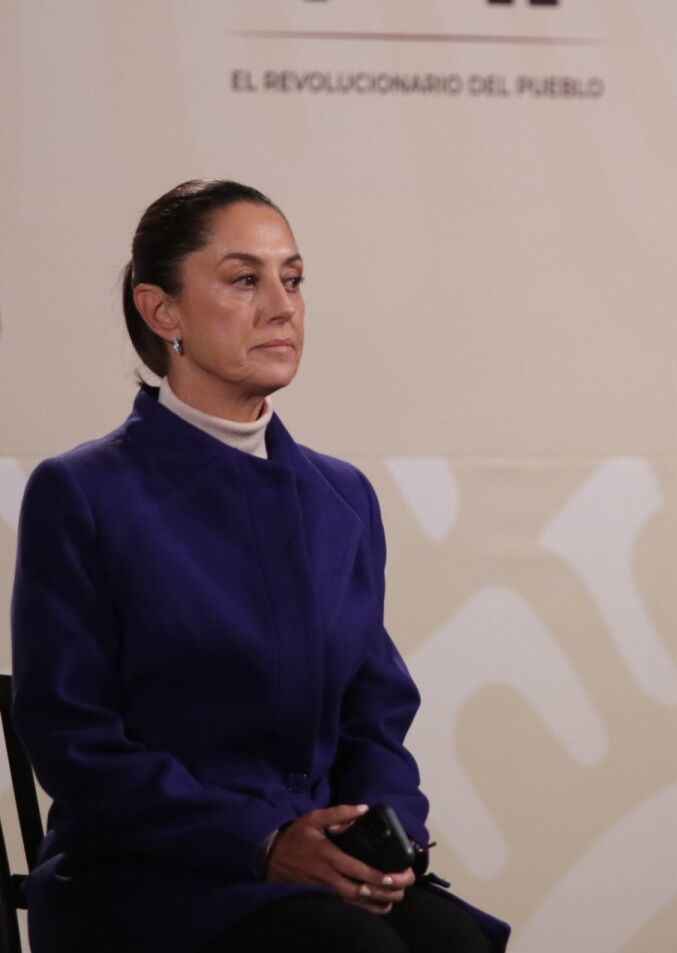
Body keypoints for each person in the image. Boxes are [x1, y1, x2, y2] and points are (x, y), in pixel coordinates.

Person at [9, 180, 509, 953]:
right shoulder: (82, 492)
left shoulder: (341, 496)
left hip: (319, 866)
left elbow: (374, 716)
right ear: (161, 311)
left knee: (455, 943)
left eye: (294, 279)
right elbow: (75, 740)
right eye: (246, 279)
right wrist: (264, 840)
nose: (283, 306)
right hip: (148, 875)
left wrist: (386, 834)